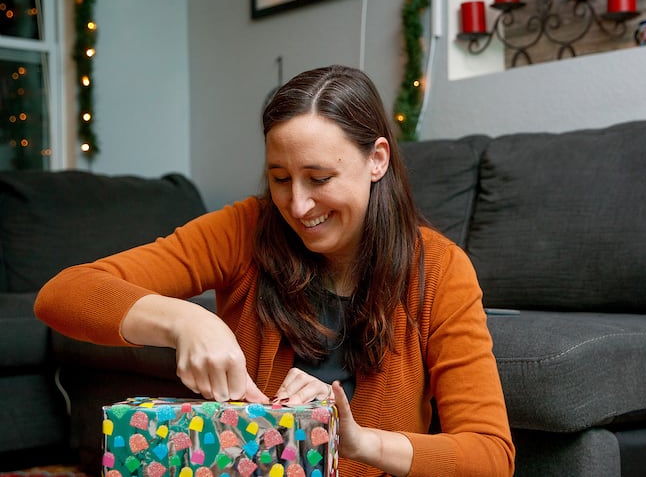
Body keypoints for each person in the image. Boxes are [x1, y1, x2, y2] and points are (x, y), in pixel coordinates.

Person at [35, 65, 515, 476]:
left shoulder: (440, 269)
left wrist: (356, 441)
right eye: (280, 179)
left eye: (320, 178)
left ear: (377, 160)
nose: (298, 205)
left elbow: (491, 455)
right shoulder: (245, 228)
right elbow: (63, 293)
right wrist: (186, 320)